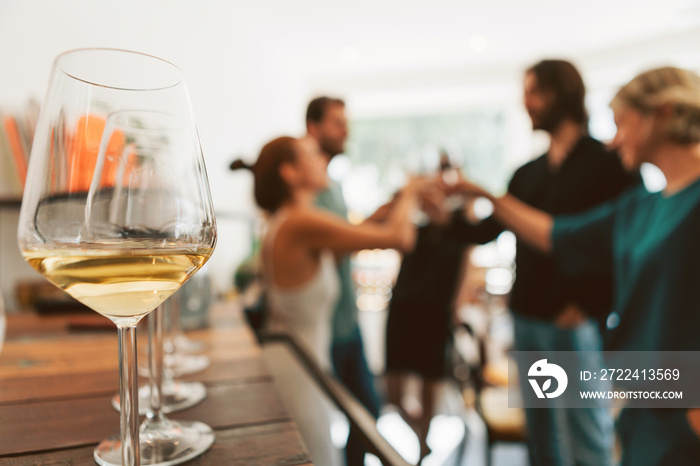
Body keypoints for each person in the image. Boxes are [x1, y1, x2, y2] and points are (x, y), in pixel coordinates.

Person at [449, 66, 700, 466]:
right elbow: (555, 234)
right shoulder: (640, 206)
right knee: (547, 436)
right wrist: (482, 195)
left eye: (622, 124)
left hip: (670, 389)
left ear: (663, 113)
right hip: (642, 388)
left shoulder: (655, 190)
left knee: (586, 441)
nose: (614, 140)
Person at [231, 135, 421, 465]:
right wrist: (412, 191)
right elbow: (400, 237)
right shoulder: (299, 222)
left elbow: (346, 234)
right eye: (310, 154)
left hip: (306, 362)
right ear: (290, 173)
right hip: (298, 371)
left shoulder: (292, 221)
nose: (321, 161)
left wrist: (388, 209)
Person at [306, 96, 386, 465]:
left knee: (368, 412)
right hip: (325, 328)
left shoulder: (331, 182)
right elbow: (332, 244)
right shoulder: (307, 187)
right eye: (337, 122)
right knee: (336, 418)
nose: (345, 130)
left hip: (347, 321)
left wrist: (378, 218)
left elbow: (344, 235)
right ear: (313, 127)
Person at [384, 163, 474, 463]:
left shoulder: (459, 230)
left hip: (435, 314)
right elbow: (391, 231)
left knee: (429, 385)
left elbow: (467, 265)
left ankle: (423, 447)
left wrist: (458, 305)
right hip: (403, 311)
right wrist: (409, 194)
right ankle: (419, 438)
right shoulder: (414, 229)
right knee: (393, 393)